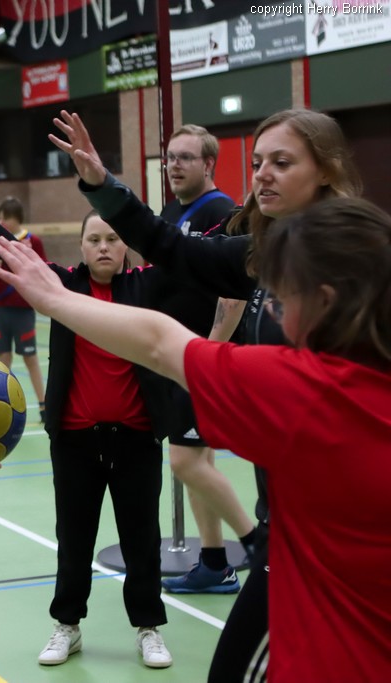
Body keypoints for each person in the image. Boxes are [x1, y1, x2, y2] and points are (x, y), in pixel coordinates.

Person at [0, 196, 391, 683]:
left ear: (324, 301)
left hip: (325, 646)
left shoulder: (293, 388)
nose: (275, 311)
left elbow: (160, 342)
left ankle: (182, 595)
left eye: (283, 297)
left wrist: (54, 300)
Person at [47, 108, 363, 682]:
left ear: (326, 170)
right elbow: (171, 247)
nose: (262, 174)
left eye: (282, 162)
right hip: (288, 519)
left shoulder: (354, 263)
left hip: (334, 529)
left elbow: (161, 342)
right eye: (258, 162)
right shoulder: (261, 254)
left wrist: (55, 299)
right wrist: (101, 183)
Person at [0, 172, 174, 670]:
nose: (103, 248)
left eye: (113, 239)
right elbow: (7, 246)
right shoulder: (63, 284)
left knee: (142, 538)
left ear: (126, 247)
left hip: (136, 439)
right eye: (94, 239)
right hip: (76, 440)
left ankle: (148, 628)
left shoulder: (146, 285)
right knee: (74, 537)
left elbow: (188, 263)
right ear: (80, 247)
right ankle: (68, 625)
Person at [158, 124, 257, 594]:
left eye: (185, 157)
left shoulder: (224, 213)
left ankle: (258, 544)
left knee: (185, 461)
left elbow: (234, 293)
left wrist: (207, 358)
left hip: (201, 359)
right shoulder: (170, 212)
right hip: (176, 355)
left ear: (208, 164)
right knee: (196, 458)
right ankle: (214, 563)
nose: (174, 165)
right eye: (170, 157)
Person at [0, 196, 48, 424]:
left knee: (30, 357)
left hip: (23, 309)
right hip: (0, 309)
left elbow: (42, 270)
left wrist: (26, 254)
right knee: (3, 359)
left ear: (15, 218)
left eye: (4, 218)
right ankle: (2, 407)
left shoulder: (33, 240)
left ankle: (44, 407)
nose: (1, 222)